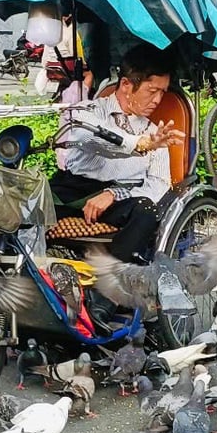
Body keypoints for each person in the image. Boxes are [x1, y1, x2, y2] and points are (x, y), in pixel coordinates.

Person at [50, 43, 184, 267]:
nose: (158, 100)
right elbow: (89, 137)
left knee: (147, 210)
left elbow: (158, 186)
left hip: (119, 200)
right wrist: (138, 144)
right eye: (152, 91)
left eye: (162, 93)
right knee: (24, 201)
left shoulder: (155, 132)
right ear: (125, 85)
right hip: (71, 193)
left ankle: (107, 290)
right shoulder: (88, 111)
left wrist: (114, 194)